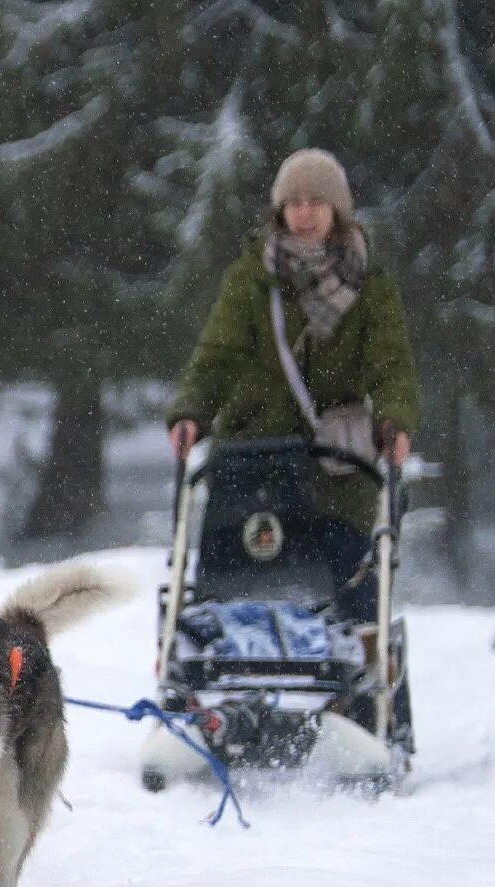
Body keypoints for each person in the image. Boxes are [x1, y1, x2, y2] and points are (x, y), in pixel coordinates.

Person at [165, 148, 420, 621]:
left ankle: (360, 650)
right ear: (279, 210)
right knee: (230, 586)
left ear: (337, 210)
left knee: (349, 584)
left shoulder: (371, 286)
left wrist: (395, 419)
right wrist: (190, 413)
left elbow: (390, 364)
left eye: (316, 202)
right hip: (254, 460)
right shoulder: (250, 281)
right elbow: (217, 356)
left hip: (335, 468)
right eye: (294, 203)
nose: (305, 214)